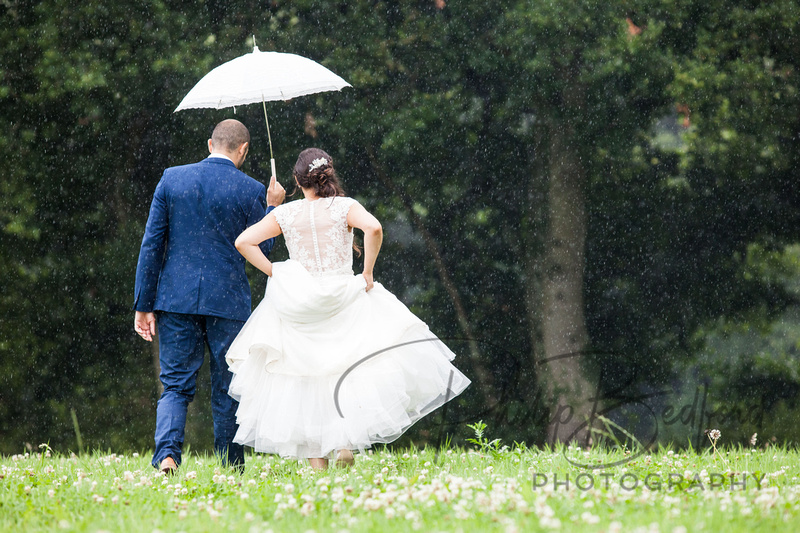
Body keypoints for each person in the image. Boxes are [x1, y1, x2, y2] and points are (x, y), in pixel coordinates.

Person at [226, 147, 470, 470]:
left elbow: (243, 241)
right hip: (342, 294)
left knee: (303, 378)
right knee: (346, 369)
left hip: (300, 302)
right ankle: (343, 441)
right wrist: (367, 271)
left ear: (298, 182)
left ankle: (319, 469)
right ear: (328, 174)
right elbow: (375, 228)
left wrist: (276, 272)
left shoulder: (284, 214)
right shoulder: (344, 207)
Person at [133, 119, 285, 473]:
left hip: (175, 299)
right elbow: (265, 246)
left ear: (209, 144)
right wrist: (273, 207)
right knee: (229, 385)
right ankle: (231, 465)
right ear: (243, 149)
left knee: (174, 385)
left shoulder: (172, 178)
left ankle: (167, 455)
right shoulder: (251, 190)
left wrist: (144, 303)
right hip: (228, 301)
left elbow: (152, 244)